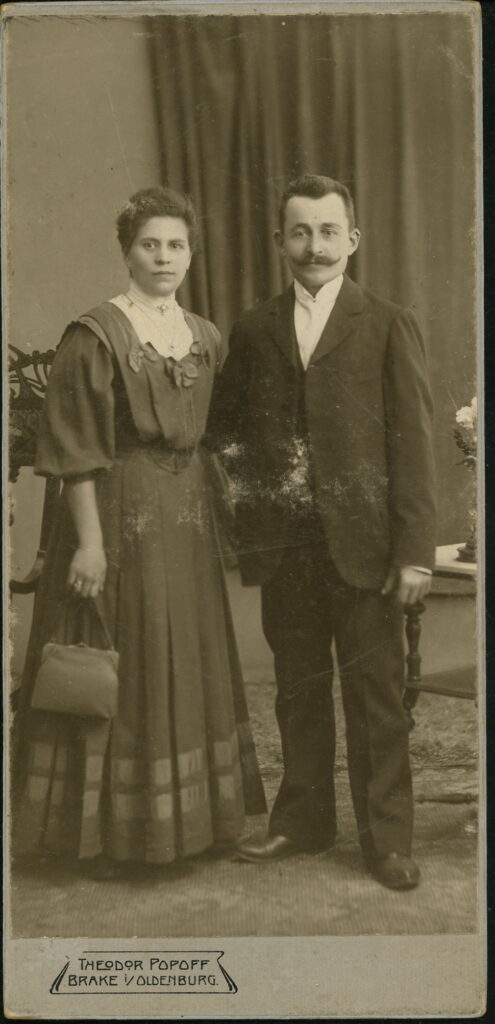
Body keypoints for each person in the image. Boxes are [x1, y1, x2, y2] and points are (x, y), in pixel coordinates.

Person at [13, 186, 266, 879]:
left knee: (185, 653)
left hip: (185, 521)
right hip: (116, 515)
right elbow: (75, 451)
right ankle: (111, 837)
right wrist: (90, 544)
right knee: (123, 658)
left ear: (191, 254)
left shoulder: (204, 336)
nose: (163, 257)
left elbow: (219, 439)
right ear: (126, 251)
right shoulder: (95, 335)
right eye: (149, 244)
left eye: (175, 245)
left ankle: (194, 827)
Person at [205, 174, 436, 890]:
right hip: (287, 550)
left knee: (375, 697)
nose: (315, 245)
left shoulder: (387, 322)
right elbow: (226, 436)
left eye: (328, 231)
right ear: (280, 241)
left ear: (352, 239)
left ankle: (386, 841)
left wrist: (414, 553)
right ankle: (302, 821)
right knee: (297, 689)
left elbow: (413, 445)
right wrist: (252, 519)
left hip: (366, 549)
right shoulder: (253, 328)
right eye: (300, 232)